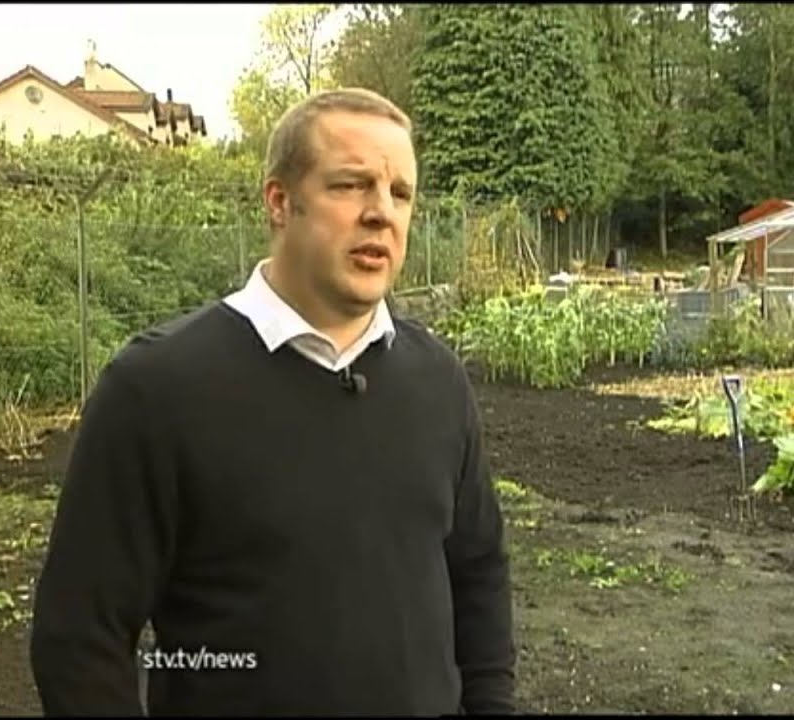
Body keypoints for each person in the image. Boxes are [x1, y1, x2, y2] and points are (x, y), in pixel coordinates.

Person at [29, 88, 516, 716]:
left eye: (400, 194)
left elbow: (478, 574)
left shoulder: (437, 379)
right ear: (280, 203)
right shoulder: (158, 388)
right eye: (351, 185)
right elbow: (79, 639)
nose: (381, 213)